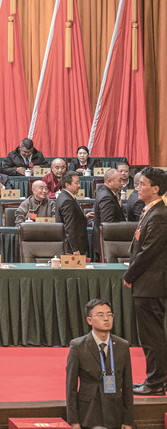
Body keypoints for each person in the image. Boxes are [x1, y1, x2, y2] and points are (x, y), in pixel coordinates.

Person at [123, 167, 167, 396]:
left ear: (155, 189)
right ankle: (159, 379)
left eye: (142, 184)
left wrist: (129, 276)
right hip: (148, 282)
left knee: (152, 336)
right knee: (152, 334)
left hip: (151, 283)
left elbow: (149, 252)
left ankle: (156, 382)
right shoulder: (151, 210)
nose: (138, 187)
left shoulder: (159, 215)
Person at [66, 299, 134, 429]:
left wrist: (128, 420)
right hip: (88, 414)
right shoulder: (78, 346)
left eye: (109, 314)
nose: (106, 319)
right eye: (100, 315)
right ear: (89, 320)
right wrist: (73, 420)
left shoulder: (122, 345)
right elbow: (71, 387)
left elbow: (127, 385)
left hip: (115, 414)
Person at [92, 168, 127, 261]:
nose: (122, 183)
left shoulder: (104, 192)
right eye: (119, 180)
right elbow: (108, 224)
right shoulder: (106, 197)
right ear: (110, 182)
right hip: (108, 247)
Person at [55, 172, 88, 255]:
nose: (79, 186)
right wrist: (75, 249)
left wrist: (84, 218)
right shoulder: (67, 201)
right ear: (67, 185)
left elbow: (73, 219)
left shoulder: (63, 196)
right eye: (76, 183)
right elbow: (69, 227)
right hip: (72, 248)